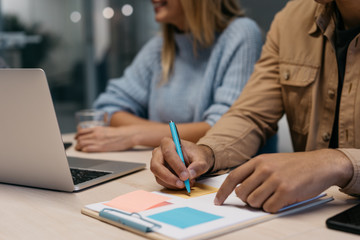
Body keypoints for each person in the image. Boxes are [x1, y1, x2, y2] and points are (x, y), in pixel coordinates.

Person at [150, 0, 360, 213]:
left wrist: (339, 163)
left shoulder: (242, 32)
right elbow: (251, 115)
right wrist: (207, 151)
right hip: (312, 213)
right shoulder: (292, 19)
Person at [75, 0, 268, 152]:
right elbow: (108, 109)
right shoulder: (159, 47)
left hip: (226, 180)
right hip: (168, 169)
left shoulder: (242, 33)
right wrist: (152, 136)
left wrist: (134, 135)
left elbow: (226, 130)